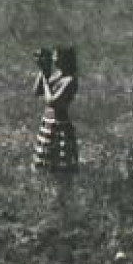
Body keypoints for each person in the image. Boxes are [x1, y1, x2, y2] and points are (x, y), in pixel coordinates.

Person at [33, 46, 80, 175]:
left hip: (60, 125)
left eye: (56, 56)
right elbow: (37, 91)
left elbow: (52, 101)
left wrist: (45, 77)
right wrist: (43, 70)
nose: (53, 59)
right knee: (45, 164)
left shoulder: (70, 80)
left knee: (60, 165)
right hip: (48, 124)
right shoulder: (57, 75)